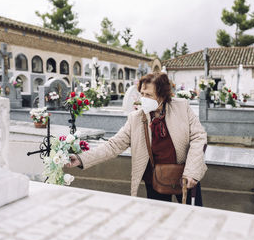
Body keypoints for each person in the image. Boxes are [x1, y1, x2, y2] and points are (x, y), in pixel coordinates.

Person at [66, 72, 207, 205]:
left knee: (194, 217)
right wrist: (81, 159)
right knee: (159, 220)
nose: (144, 99)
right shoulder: (136, 118)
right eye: (142, 94)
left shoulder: (181, 107)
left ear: (162, 96)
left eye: (149, 95)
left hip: (185, 175)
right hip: (155, 179)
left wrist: (192, 171)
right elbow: (114, 145)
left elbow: (199, 137)